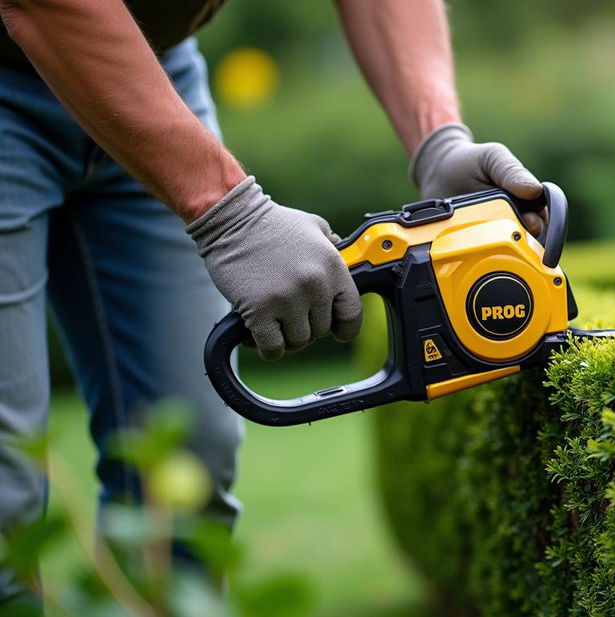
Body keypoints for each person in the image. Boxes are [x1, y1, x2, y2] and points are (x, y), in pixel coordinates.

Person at [0, 0, 545, 609]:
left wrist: (437, 141)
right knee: (4, 497)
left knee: (185, 466)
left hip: (153, 68)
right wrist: (229, 212)